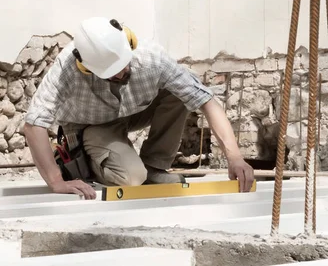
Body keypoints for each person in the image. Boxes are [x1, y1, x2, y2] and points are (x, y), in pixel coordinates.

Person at [23, 16, 255, 200]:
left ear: (129, 42)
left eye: (123, 64)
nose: (121, 73)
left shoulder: (152, 58)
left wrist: (234, 157)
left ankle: (154, 166)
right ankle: (84, 162)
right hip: (90, 126)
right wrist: (55, 181)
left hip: (131, 111)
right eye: (111, 73)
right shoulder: (67, 68)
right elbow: (34, 124)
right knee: (132, 178)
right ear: (85, 67)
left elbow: (205, 100)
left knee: (183, 85)